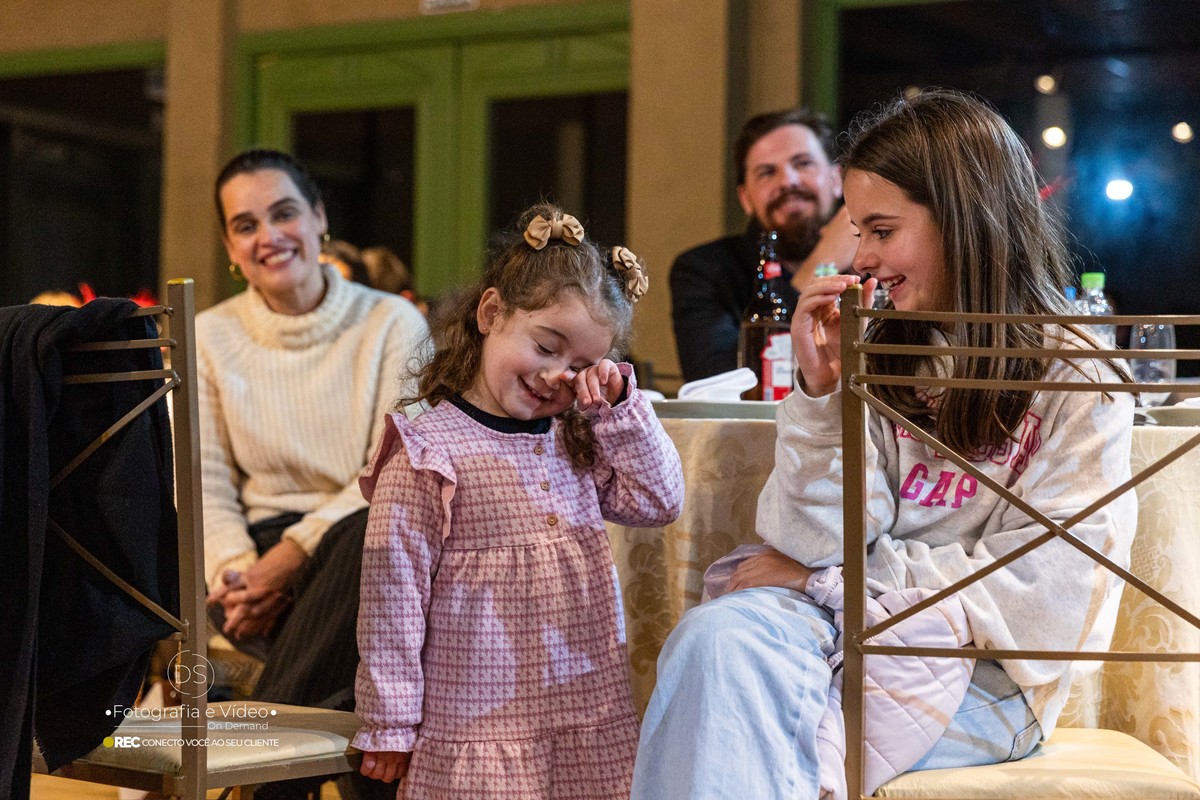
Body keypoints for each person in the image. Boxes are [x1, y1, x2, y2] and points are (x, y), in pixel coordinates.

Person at [633, 89, 1137, 799]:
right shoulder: (881, 346)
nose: (861, 257)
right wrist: (821, 394)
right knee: (710, 642)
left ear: (963, 219)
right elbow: (811, 541)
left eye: (881, 230)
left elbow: (1044, 598)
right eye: (857, 231)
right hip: (841, 629)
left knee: (761, 720)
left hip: (982, 672)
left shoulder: (1079, 377)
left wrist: (830, 581)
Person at [352, 203, 685, 798]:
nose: (557, 375)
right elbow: (391, 597)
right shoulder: (428, 450)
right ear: (491, 313)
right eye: (546, 346)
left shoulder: (577, 439)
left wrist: (619, 409)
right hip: (477, 731)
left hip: (583, 714)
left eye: (581, 366)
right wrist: (391, 722)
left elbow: (659, 501)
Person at [199, 149, 429, 797]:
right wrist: (239, 576)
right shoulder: (208, 336)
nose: (268, 237)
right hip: (253, 557)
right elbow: (203, 481)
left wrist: (294, 558)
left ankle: (259, 784)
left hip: (368, 536)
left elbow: (393, 470)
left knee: (372, 534)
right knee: (372, 665)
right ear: (230, 247)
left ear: (319, 218)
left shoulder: (393, 322)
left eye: (284, 213)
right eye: (245, 225)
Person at [670, 108, 859, 383]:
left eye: (803, 163)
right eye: (767, 172)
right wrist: (822, 265)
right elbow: (715, 379)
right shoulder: (703, 269)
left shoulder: (875, 262)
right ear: (745, 198)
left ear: (836, 180)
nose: (788, 181)